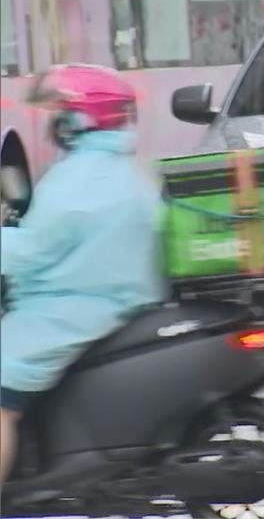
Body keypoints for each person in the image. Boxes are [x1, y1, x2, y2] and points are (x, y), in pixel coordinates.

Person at [0, 65, 162, 482]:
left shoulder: (76, 180)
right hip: (113, 301)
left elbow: (34, 250)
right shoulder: (123, 172)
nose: (54, 121)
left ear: (81, 119)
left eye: (61, 111)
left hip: (69, 309)